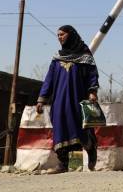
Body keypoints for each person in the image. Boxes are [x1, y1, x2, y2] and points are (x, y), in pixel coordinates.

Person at [36, 25, 99, 174]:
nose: (59, 37)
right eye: (57, 35)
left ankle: (91, 149)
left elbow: (92, 74)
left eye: (62, 34)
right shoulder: (57, 57)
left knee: (80, 126)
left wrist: (92, 91)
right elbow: (49, 79)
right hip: (59, 100)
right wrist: (41, 99)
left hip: (78, 98)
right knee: (59, 125)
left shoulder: (85, 55)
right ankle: (63, 164)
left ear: (70, 35)